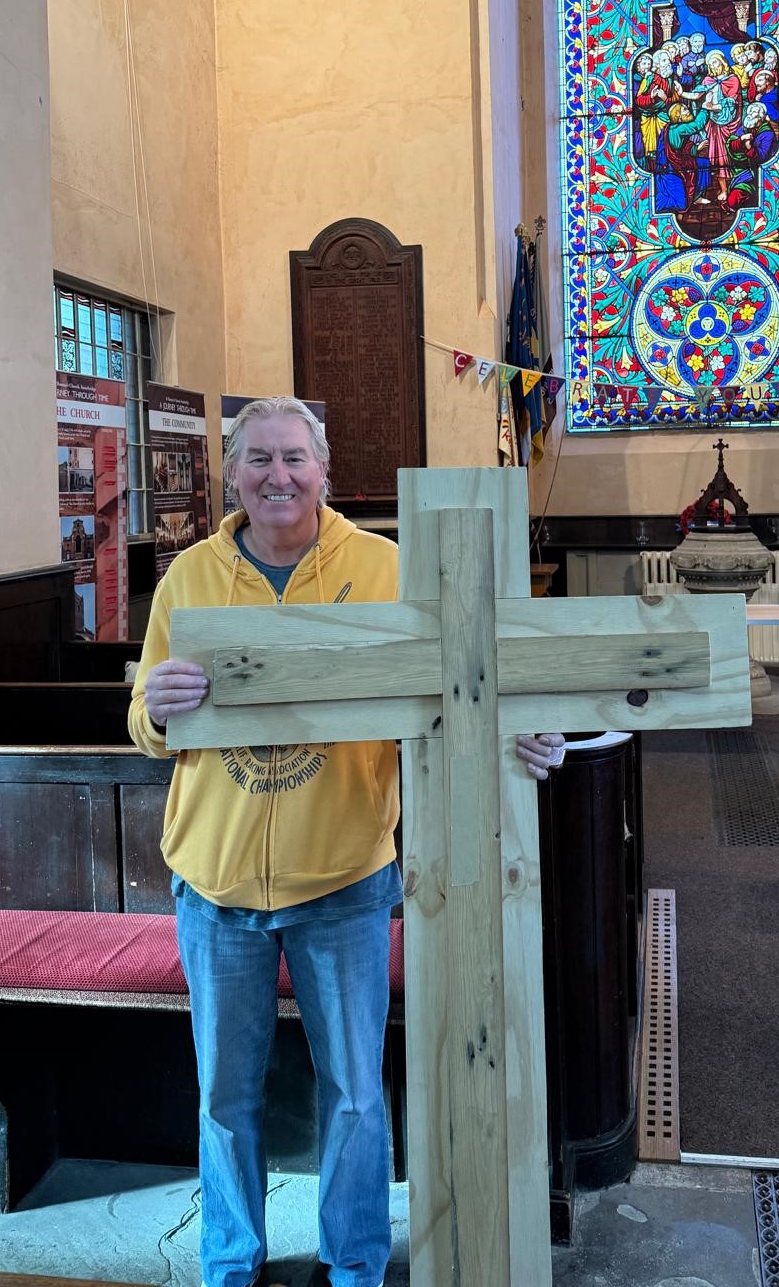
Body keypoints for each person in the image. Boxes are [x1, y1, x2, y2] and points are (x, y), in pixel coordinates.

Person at [128, 396, 565, 1287]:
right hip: (215, 881)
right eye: (257, 459)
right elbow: (145, 719)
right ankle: (229, 1262)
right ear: (231, 473)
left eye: (294, 457)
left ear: (324, 470)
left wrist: (523, 734)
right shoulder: (190, 577)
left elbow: (462, 683)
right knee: (223, 1096)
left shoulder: (384, 568)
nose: (277, 476)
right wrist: (155, 711)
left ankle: (356, 1261)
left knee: (357, 1095)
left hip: (342, 879)